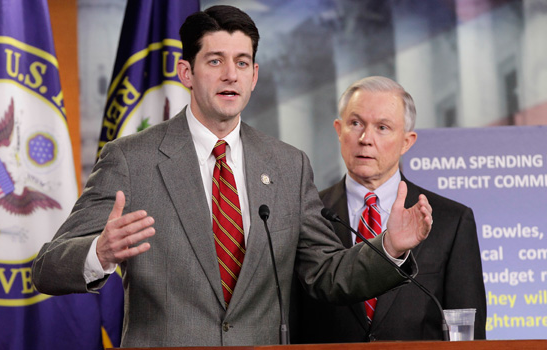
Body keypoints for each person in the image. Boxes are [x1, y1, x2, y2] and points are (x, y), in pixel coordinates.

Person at [32, 8, 433, 348]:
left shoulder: (288, 165)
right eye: (215, 61)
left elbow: (326, 274)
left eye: (242, 62)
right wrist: (98, 253)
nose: (230, 75)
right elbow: (47, 267)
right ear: (186, 72)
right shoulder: (131, 159)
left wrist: (390, 247)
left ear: (254, 75)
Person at [290, 76, 486, 343]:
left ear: (407, 141)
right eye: (355, 123)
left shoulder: (451, 220)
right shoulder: (307, 214)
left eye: (382, 127)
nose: (365, 138)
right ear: (338, 129)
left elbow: (467, 332)